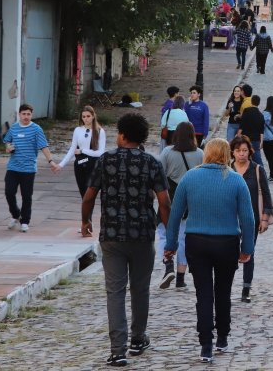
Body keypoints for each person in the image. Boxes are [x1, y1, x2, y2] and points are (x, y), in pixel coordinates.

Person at [82, 113, 170, 367]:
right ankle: (138, 338)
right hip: (142, 235)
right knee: (140, 289)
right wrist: (169, 232)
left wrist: (85, 220)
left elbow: (89, 196)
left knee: (115, 291)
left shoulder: (106, 160)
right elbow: (164, 201)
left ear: (122, 135)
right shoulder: (152, 163)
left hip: (111, 236)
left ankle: (117, 350)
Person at [164, 139, 255, 363]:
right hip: (227, 242)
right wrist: (247, 248)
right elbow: (248, 219)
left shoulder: (190, 178)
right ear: (227, 155)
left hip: (197, 242)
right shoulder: (236, 180)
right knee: (223, 292)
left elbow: (175, 214)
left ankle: (206, 345)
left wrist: (171, 245)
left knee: (203, 294)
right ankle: (222, 336)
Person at [157, 122, 203, 290]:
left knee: (163, 233)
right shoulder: (200, 154)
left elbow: (158, 174)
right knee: (183, 238)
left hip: (169, 198)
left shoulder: (167, 152)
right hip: (190, 199)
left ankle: (168, 264)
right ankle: (180, 278)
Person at [229, 135, 273, 304]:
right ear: (232, 152)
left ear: (249, 152)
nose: (242, 154)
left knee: (248, 252)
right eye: (238, 150)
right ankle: (226, 285)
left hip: (251, 219)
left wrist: (264, 218)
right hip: (230, 220)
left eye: (245, 150)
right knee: (230, 253)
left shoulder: (256, 169)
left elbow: (266, 194)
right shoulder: (227, 169)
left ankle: (246, 288)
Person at [3, 103, 58, 233]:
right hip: (13, 167)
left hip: (28, 169)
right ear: (19, 114)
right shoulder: (14, 128)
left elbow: (43, 146)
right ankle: (16, 214)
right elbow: (7, 142)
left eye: (28, 114)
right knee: (9, 192)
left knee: (27, 196)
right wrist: (8, 148)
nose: (26, 116)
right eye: (24, 114)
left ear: (31, 115)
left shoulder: (36, 129)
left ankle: (25, 221)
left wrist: (51, 161)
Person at [54, 105, 106, 198]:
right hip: (79, 165)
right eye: (83, 117)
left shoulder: (99, 131)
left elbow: (100, 153)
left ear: (93, 116)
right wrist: (61, 165)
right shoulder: (78, 130)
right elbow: (72, 149)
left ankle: (88, 212)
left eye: (88, 116)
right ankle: (86, 212)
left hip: (93, 166)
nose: (86, 119)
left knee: (90, 195)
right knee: (83, 194)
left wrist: (83, 150)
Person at [239, 95, 265, 166]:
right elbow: (261, 131)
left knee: (244, 158)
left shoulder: (246, 111)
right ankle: (261, 173)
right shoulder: (261, 115)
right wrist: (261, 142)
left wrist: (238, 135)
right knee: (258, 160)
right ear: (259, 103)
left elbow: (242, 125)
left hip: (245, 139)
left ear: (251, 102)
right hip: (256, 140)